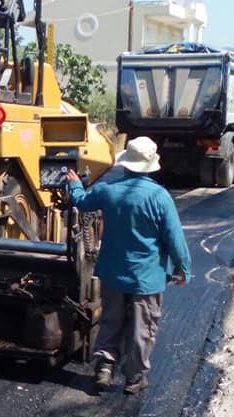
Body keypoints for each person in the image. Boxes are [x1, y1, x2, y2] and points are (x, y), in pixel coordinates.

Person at [66, 136, 191, 395]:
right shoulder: (159, 197)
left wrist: (75, 185)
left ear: (126, 164)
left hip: (113, 273)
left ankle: (104, 368)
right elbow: (174, 237)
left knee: (111, 319)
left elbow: (81, 201)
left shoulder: (108, 191)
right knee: (141, 327)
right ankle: (134, 378)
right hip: (147, 277)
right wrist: (183, 268)